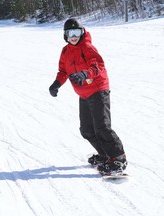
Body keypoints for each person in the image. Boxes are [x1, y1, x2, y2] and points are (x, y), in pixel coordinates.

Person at [49, 18, 127, 175]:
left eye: (76, 32)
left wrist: (85, 74)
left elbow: (97, 66)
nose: (73, 36)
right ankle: (106, 156)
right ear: (65, 35)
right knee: (86, 130)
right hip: (83, 94)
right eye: (70, 33)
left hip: (98, 90)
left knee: (102, 127)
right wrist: (57, 83)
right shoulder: (65, 51)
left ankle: (118, 159)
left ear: (82, 32)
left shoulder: (87, 47)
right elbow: (64, 71)